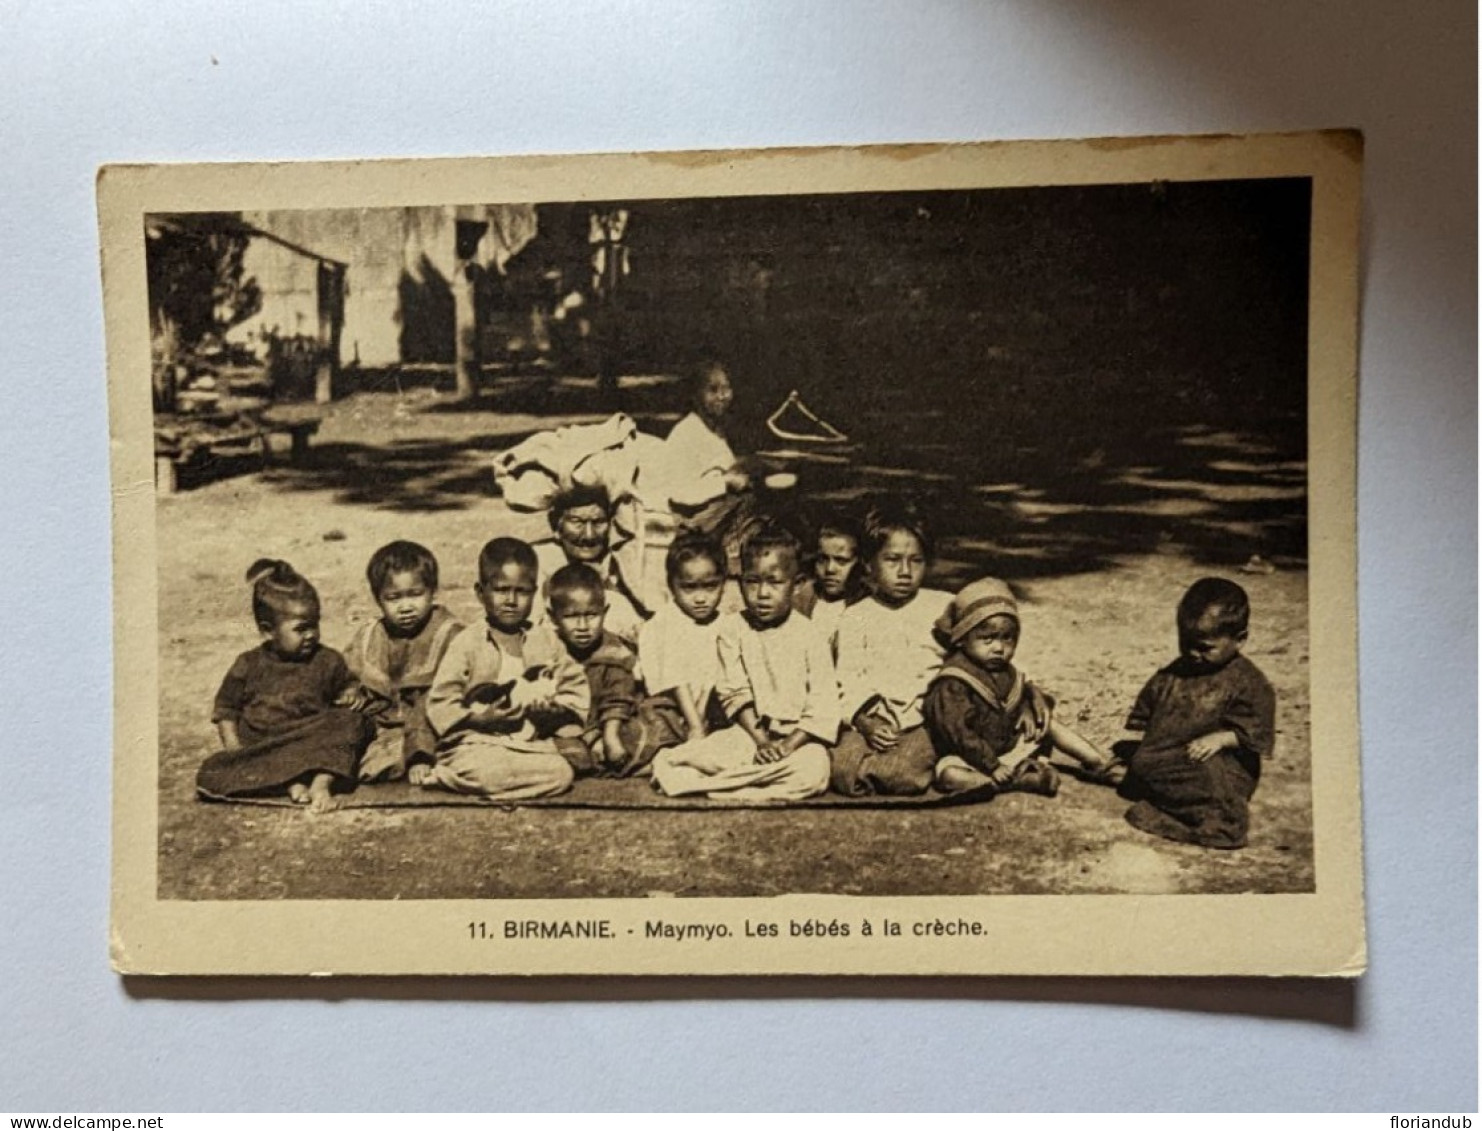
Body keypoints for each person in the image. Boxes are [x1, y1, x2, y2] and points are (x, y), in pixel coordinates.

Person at [650, 524, 835, 802]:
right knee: (672, 763)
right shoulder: (733, 629)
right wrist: (761, 742)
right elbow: (734, 692)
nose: (762, 593)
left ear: (797, 585)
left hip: (798, 740)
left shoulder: (811, 636)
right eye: (752, 581)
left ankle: (728, 788)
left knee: (814, 770)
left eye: (774, 582)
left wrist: (787, 745)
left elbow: (823, 704)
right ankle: (752, 786)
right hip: (749, 734)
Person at [197, 559, 374, 813]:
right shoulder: (248, 664)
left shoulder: (328, 659)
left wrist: (351, 695)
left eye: (314, 624)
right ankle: (291, 781)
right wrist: (235, 753)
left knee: (354, 722)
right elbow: (226, 711)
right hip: (267, 742)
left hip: (311, 737)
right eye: (301, 629)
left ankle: (321, 782)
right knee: (212, 773)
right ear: (268, 631)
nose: (311, 634)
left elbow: (347, 687)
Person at [420, 538, 587, 800]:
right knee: (485, 769)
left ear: (535, 593)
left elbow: (574, 687)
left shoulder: (546, 640)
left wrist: (555, 711)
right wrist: (478, 718)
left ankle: (492, 786)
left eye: (522, 591)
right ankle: (450, 775)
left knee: (562, 774)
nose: (511, 600)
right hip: (477, 742)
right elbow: (442, 700)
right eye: (501, 590)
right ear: (480, 592)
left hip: (531, 745)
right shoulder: (467, 642)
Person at [923, 577, 1121, 796]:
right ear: (962, 639)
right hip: (971, 756)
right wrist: (992, 765)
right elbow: (957, 733)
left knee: (1051, 724)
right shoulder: (953, 682)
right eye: (987, 639)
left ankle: (1099, 763)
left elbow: (1028, 693)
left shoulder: (1004, 670)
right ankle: (1019, 782)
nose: (999, 648)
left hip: (1008, 745)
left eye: (1007, 638)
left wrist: (1028, 706)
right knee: (950, 775)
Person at [1118, 577, 1277, 849]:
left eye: (1205, 647)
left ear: (1240, 640)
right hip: (1169, 762)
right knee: (1129, 753)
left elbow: (1256, 736)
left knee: (1211, 781)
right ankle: (1172, 802)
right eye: (1185, 642)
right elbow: (1148, 714)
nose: (1193, 653)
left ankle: (1218, 826)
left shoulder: (1249, 682)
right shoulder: (1175, 673)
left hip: (1220, 768)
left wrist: (1222, 739)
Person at [828, 500, 954, 797]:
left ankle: (893, 770)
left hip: (927, 717)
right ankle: (872, 770)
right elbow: (847, 679)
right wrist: (865, 721)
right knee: (839, 767)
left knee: (903, 774)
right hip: (875, 716)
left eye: (916, 560)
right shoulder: (856, 616)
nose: (905, 571)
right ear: (870, 564)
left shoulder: (943, 606)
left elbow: (980, 652)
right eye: (892, 559)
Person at [342, 541, 463, 783]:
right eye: (393, 598)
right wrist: (350, 692)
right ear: (378, 600)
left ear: (432, 591)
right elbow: (348, 672)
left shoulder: (449, 633)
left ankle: (420, 757)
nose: (406, 607)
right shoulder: (370, 635)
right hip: (386, 724)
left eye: (416, 595)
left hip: (432, 721)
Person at [544, 561, 658, 777]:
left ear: (605, 612)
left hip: (611, 723)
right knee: (556, 748)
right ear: (553, 617)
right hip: (566, 726)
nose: (583, 626)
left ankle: (602, 758)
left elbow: (619, 698)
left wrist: (610, 736)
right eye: (570, 616)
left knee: (643, 732)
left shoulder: (614, 652)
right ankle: (598, 760)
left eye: (592, 615)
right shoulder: (549, 650)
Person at [632, 532, 729, 756]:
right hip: (672, 706)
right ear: (671, 585)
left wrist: (702, 716)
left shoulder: (726, 624)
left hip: (709, 710)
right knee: (654, 726)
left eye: (710, 586)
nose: (701, 598)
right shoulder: (664, 623)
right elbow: (674, 680)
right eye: (689, 588)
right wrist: (695, 725)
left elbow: (716, 678)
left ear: (723, 582)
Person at [660, 360, 758, 569]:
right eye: (713, 390)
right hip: (689, 521)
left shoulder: (716, 430)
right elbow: (678, 492)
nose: (722, 396)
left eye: (726, 389)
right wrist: (726, 483)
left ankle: (738, 546)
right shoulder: (686, 434)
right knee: (747, 498)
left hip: (714, 516)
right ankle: (730, 554)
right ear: (695, 396)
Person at [532, 484, 646, 641]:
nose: (589, 535)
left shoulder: (621, 562)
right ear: (555, 524)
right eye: (577, 522)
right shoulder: (538, 563)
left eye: (598, 522)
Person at [792, 513, 864, 652]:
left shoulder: (868, 605)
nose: (830, 569)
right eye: (823, 559)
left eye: (842, 561)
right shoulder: (801, 600)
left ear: (859, 562)